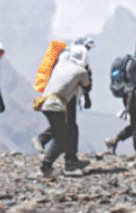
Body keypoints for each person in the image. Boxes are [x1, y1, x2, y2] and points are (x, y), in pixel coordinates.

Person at [37, 43, 93, 177]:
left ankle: (71, 161)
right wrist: (88, 73)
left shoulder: (61, 65)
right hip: (58, 107)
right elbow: (87, 87)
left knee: (71, 130)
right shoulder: (81, 71)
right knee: (62, 139)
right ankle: (46, 166)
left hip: (47, 104)